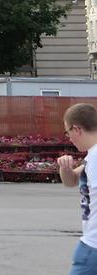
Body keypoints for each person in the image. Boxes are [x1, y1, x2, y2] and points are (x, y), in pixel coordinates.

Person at [57, 103, 97, 274]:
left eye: (67, 132)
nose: (69, 138)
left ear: (77, 129)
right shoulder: (91, 157)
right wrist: (65, 169)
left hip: (93, 247)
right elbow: (72, 180)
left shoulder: (95, 158)